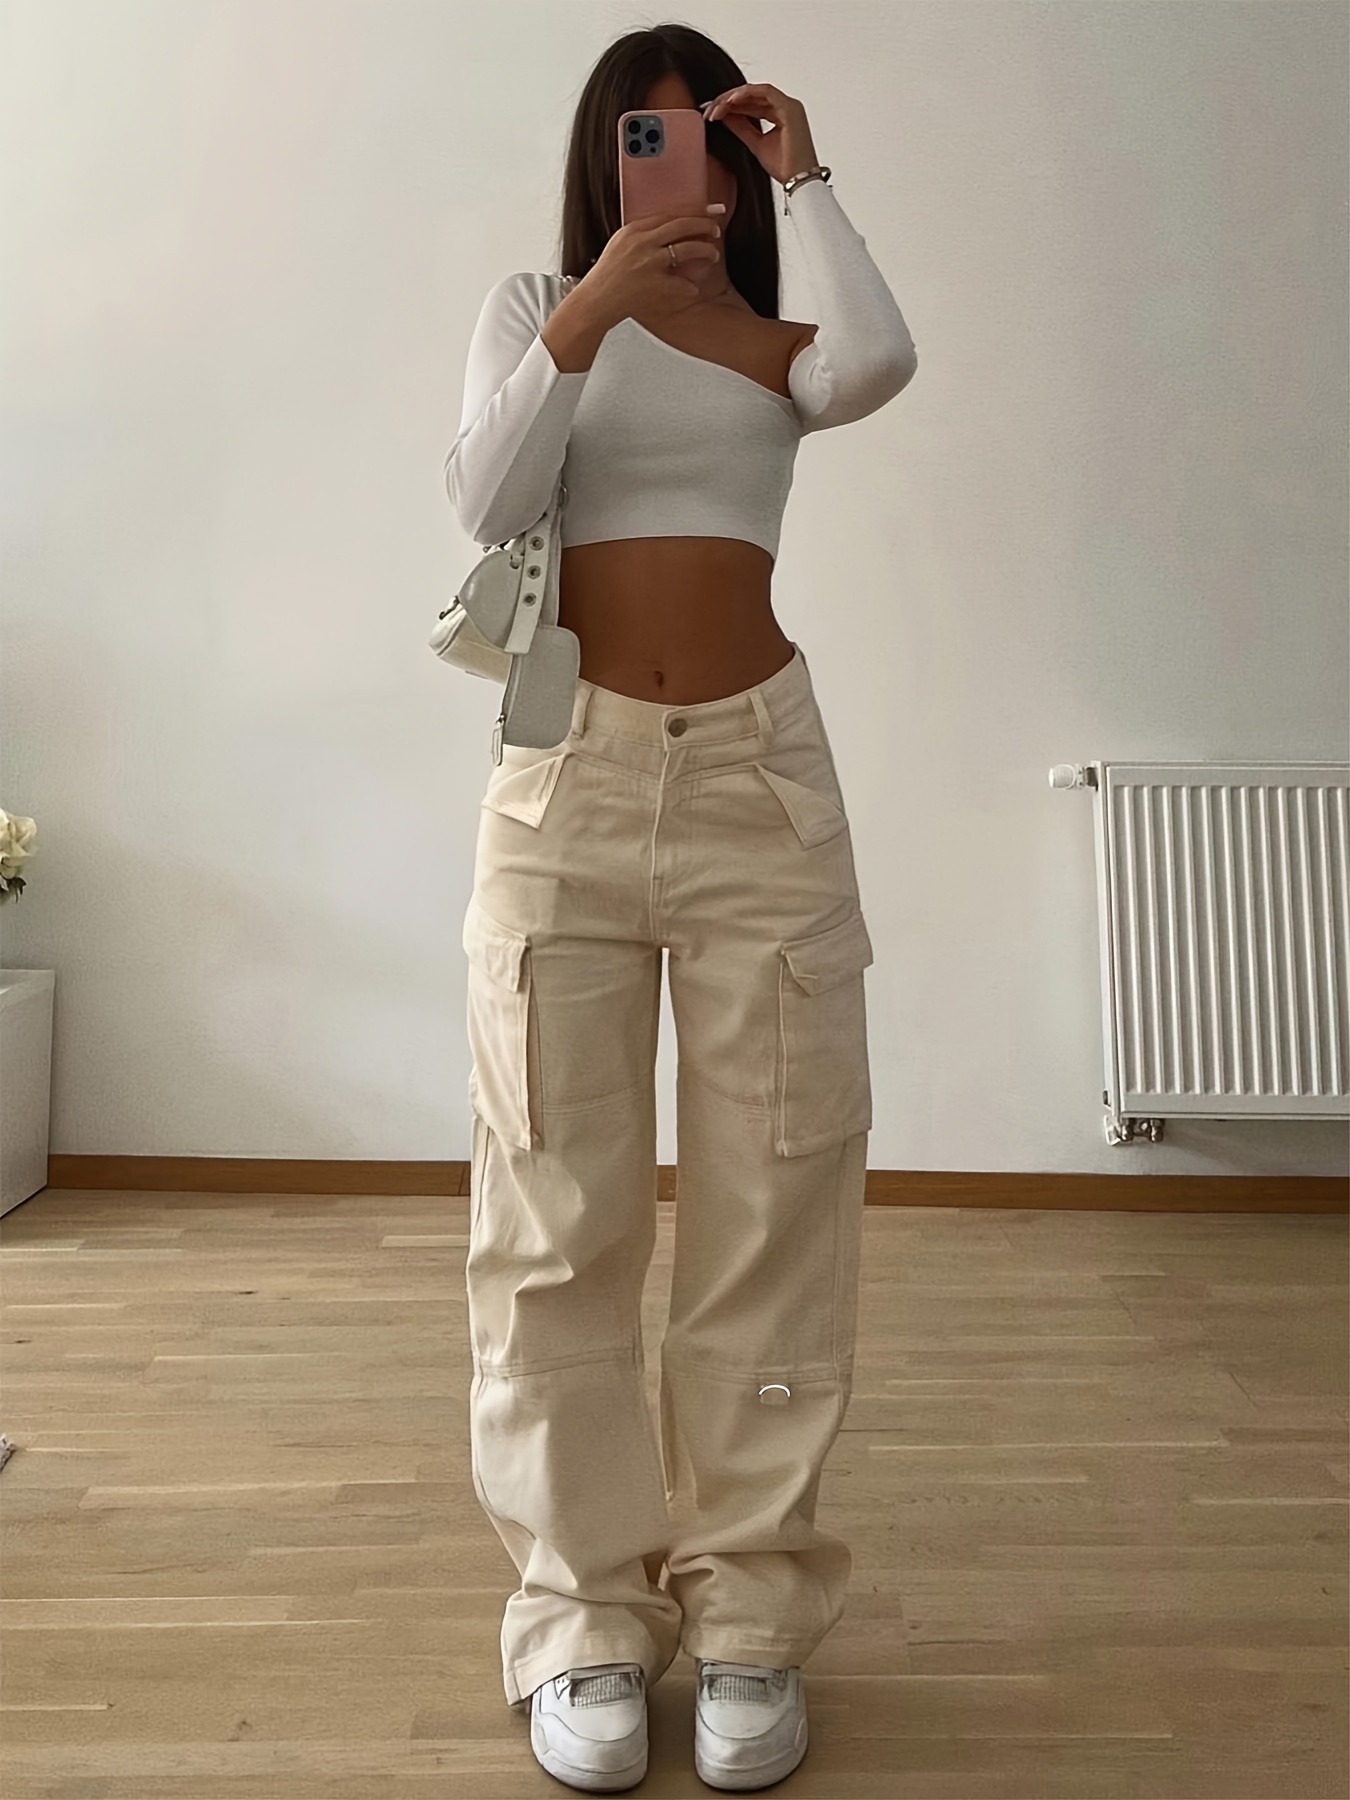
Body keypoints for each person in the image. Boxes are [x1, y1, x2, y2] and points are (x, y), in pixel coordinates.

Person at [444, 23, 916, 1793]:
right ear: (604, 159)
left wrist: (808, 174)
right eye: (651, 140)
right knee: (550, 1218)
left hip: (757, 784)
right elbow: (483, 496)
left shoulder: (777, 346)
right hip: (563, 785)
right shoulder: (533, 308)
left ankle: (748, 1623)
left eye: (711, 141)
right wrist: (586, 314)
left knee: (772, 1210)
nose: (687, 172)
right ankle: (579, 1622)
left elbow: (878, 362)